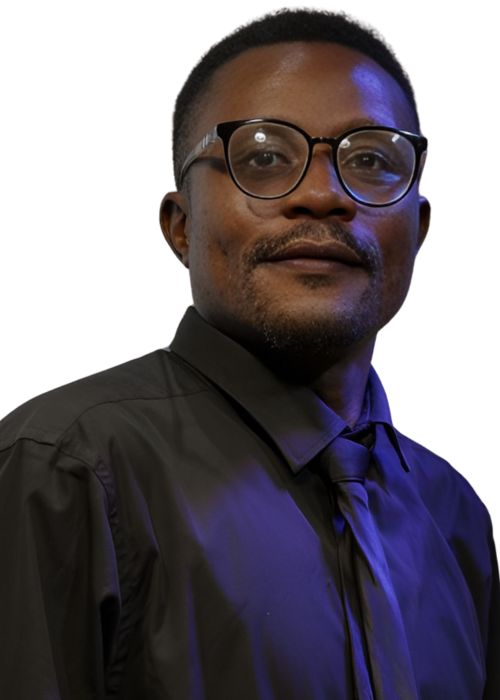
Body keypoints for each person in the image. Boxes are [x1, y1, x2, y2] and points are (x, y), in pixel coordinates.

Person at [0, 7, 498, 699]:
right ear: (181, 225)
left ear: (417, 229)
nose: (323, 194)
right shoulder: (63, 469)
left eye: (371, 160)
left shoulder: (455, 517)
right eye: (264, 157)